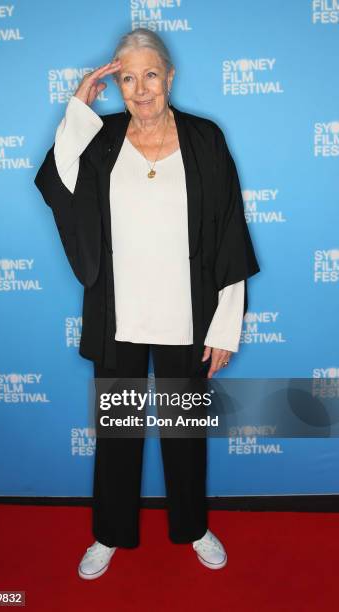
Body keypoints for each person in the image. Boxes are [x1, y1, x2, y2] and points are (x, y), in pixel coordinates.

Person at [34, 28, 260, 580]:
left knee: (186, 433)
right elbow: (58, 178)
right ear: (118, 84)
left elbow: (230, 231)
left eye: (150, 75)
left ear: (170, 77)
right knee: (117, 434)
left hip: (187, 315)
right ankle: (109, 533)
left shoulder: (206, 139)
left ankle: (193, 527)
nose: (140, 89)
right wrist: (79, 108)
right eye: (127, 78)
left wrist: (225, 324)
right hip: (120, 316)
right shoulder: (101, 139)